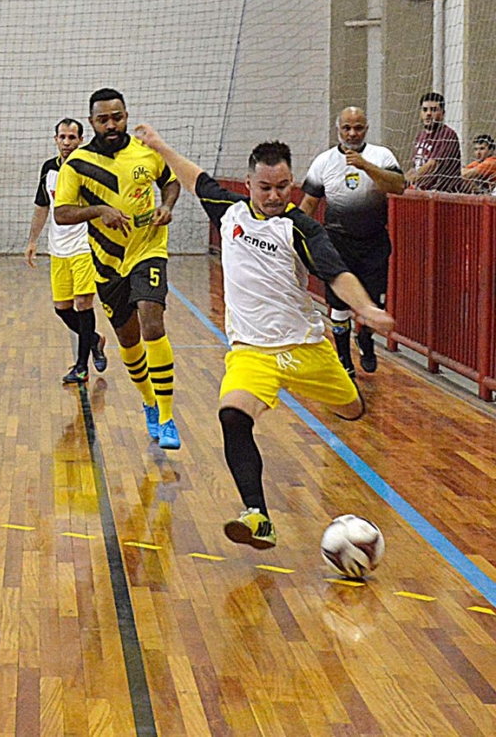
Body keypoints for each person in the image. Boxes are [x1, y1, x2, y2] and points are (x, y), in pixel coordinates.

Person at [135, 123, 394, 549]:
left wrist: (365, 308)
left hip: (306, 349)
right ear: (249, 183)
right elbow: (193, 176)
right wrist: (160, 146)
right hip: (252, 353)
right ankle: (257, 516)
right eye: (265, 187)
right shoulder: (229, 210)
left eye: (283, 187)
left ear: (292, 183)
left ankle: (350, 401)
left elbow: (336, 273)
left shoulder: (301, 228)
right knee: (232, 417)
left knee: (352, 410)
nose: (275, 197)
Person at [54, 88, 183, 449]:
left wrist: (167, 205)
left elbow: (170, 182)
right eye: (103, 119)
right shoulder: (77, 164)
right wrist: (98, 211)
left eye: (118, 117)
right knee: (129, 342)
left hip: (148, 248)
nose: (112, 125)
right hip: (108, 263)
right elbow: (62, 214)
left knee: (152, 322)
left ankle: (169, 417)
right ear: (92, 121)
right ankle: (149, 402)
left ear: (126, 115)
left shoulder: (147, 152)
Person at [299, 106, 405, 376]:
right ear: (338, 130)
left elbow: (398, 185)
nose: (352, 133)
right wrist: (293, 239)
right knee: (339, 303)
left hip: (373, 241)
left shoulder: (381, 155)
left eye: (358, 127)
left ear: (366, 128)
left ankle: (366, 339)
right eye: (347, 128)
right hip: (337, 241)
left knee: (375, 302)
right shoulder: (323, 161)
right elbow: (309, 204)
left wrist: (365, 165)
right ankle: (344, 360)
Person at [25, 118, 108, 383]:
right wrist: (32, 241)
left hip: (84, 245)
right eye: (62, 137)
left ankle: (81, 367)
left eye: (72, 137)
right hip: (58, 248)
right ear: (55, 139)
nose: (66, 142)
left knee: (83, 304)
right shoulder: (48, 169)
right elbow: (42, 206)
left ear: (81, 140)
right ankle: (94, 339)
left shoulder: (89, 166)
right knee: (62, 307)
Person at [408, 92, 464, 193]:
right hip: (423, 193)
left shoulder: (447, 135)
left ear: (443, 113)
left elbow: (432, 165)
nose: (428, 113)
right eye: (425, 110)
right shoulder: (420, 136)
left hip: (443, 196)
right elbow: (416, 167)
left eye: (433, 110)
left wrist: (410, 180)